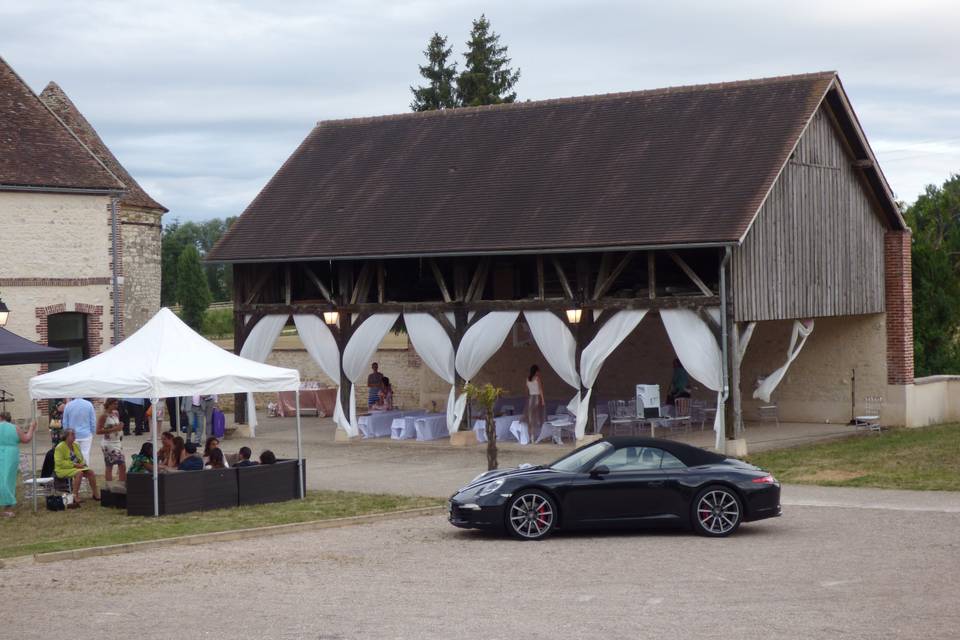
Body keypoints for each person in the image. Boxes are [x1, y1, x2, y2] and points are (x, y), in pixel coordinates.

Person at [0, 411, 37, 517]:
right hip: (11, 455)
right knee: (9, 479)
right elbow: (26, 439)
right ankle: (7, 507)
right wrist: (31, 428)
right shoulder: (14, 428)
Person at [54, 427, 100, 506]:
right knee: (79, 473)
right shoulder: (60, 447)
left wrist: (82, 464)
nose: (75, 436)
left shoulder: (76, 445)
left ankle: (95, 494)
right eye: (72, 434)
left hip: (76, 467)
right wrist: (74, 465)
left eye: (74, 434)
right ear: (66, 436)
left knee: (91, 472)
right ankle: (75, 496)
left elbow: (81, 458)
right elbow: (59, 463)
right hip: (62, 469)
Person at [96, 398, 125, 483]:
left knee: (122, 465)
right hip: (108, 443)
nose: (116, 406)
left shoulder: (116, 414)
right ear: (109, 404)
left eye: (117, 404)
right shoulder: (104, 416)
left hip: (117, 442)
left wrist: (120, 427)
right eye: (114, 404)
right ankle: (109, 485)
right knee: (111, 465)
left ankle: (121, 484)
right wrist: (114, 429)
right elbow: (98, 431)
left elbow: (117, 427)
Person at [62, 397, 96, 466]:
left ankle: (75, 473)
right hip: (86, 434)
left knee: (73, 455)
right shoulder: (89, 404)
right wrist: (92, 431)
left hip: (71, 435)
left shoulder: (68, 405)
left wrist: (66, 434)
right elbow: (93, 420)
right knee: (85, 453)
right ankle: (85, 472)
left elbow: (65, 422)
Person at [524, 365, 545, 437]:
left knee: (530, 417)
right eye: (538, 371)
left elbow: (526, 390)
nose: (538, 372)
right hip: (537, 397)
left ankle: (531, 435)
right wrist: (542, 400)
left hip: (530, 398)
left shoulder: (527, 379)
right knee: (538, 416)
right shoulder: (537, 378)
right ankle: (539, 435)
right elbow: (540, 389)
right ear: (536, 371)